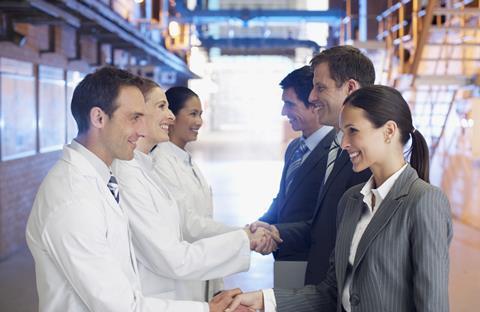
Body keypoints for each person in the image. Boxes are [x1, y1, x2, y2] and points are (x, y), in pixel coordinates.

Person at [26, 66, 241, 312]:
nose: (141, 130)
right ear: (99, 118)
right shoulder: (72, 198)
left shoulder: (101, 179)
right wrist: (206, 310)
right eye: (133, 118)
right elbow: (118, 305)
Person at [229, 85, 453, 312]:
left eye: (353, 131)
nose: (344, 143)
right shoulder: (351, 201)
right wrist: (264, 299)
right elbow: (331, 292)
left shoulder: (424, 201)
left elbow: (432, 304)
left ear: (388, 131)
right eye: (342, 132)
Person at [112, 78, 278, 303]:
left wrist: (244, 234)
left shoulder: (146, 166)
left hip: (185, 282)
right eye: (162, 107)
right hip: (163, 293)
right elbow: (178, 243)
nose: (169, 116)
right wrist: (245, 238)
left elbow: (184, 225)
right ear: (138, 113)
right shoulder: (135, 172)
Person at [252, 45, 374, 284]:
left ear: (350, 88)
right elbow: (324, 222)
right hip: (318, 278)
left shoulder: (365, 157)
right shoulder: (337, 150)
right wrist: (270, 227)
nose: (312, 97)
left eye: (320, 88)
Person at [151, 86, 239, 300]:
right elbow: (187, 224)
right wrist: (243, 235)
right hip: (181, 276)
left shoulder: (184, 159)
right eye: (192, 114)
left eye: (200, 114)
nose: (199, 121)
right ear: (171, 116)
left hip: (200, 268)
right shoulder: (160, 162)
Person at [255, 66, 335, 261]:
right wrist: (262, 224)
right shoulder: (294, 148)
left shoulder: (337, 152)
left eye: (290, 104)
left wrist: (277, 232)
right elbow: (285, 197)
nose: (284, 112)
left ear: (314, 104)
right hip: (286, 255)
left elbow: (326, 219)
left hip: (313, 259)